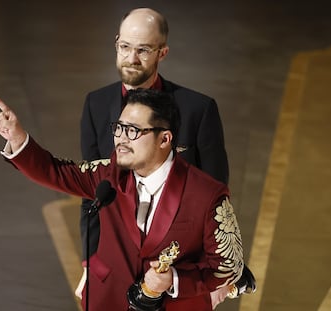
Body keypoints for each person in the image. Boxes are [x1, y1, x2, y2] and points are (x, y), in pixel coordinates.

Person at [0, 89, 244, 310]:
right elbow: (55, 172)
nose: (120, 139)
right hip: (108, 301)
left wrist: (175, 280)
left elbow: (228, 265)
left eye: (133, 131)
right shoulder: (109, 174)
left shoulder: (207, 194)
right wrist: (16, 138)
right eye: (119, 128)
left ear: (165, 139)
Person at [79, 7, 229, 297]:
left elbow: (217, 199)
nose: (131, 59)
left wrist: (214, 277)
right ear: (116, 44)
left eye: (143, 50)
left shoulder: (199, 110)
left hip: (178, 269)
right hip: (116, 265)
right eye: (124, 47)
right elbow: (93, 192)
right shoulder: (95, 104)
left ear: (163, 53)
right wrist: (89, 263)